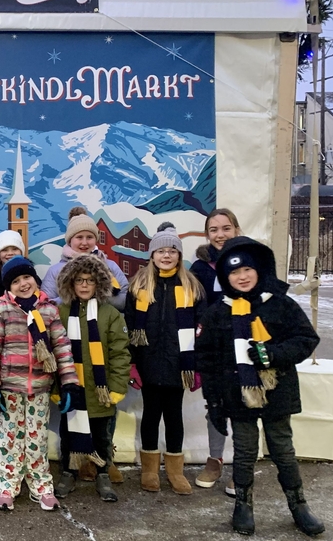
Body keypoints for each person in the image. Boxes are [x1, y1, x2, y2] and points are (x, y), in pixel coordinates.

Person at [196, 237, 324, 537]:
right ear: (225, 278)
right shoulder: (217, 313)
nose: (242, 277)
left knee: (283, 449)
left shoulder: (279, 303)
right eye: (233, 273)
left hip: (277, 391)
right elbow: (208, 360)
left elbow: (306, 339)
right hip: (238, 395)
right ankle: (243, 505)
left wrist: (274, 354)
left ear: (259, 270)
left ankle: (298, 504)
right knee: (244, 452)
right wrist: (214, 403)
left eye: (247, 270)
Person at [0, 257, 79, 511]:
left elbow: (61, 347)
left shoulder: (48, 309)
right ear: (8, 286)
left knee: (37, 439)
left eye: (27, 278)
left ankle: (41, 486)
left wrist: (69, 382)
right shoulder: (1, 309)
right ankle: (7, 486)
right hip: (10, 387)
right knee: (9, 439)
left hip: (40, 387)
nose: (23, 284)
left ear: (35, 279)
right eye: (16, 281)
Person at [126, 224, 205, 495]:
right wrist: (133, 363)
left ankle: (175, 470)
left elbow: (200, 327)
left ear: (179, 256)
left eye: (172, 251)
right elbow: (129, 324)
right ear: (152, 255)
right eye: (161, 250)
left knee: (174, 417)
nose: (167, 255)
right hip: (148, 362)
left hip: (178, 365)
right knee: (150, 415)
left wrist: (196, 365)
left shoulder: (191, 285)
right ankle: (149, 469)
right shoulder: (139, 285)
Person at [54, 255, 131, 502]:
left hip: (102, 391)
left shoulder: (110, 314)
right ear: (70, 284)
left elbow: (120, 353)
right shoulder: (61, 312)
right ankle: (68, 471)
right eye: (79, 280)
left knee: (101, 436)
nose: (85, 285)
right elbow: (55, 351)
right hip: (72, 390)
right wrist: (58, 387)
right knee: (68, 433)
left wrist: (117, 387)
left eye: (90, 280)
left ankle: (102, 474)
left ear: (99, 283)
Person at [190, 208, 242, 494]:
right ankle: (215, 459)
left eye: (226, 228)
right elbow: (198, 306)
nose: (220, 234)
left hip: (245, 341)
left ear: (236, 229)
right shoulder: (200, 268)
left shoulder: (250, 260)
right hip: (215, 343)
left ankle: (242, 465)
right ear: (207, 233)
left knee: (245, 404)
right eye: (214, 230)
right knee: (216, 404)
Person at [42, 207, 128, 311]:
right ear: (70, 240)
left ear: (96, 239)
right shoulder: (55, 271)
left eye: (89, 237)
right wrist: (73, 296)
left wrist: (98, 295)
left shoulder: (110, 266)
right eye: (79, 237)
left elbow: (126, 300)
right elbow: (46, 306)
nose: (84, 242)